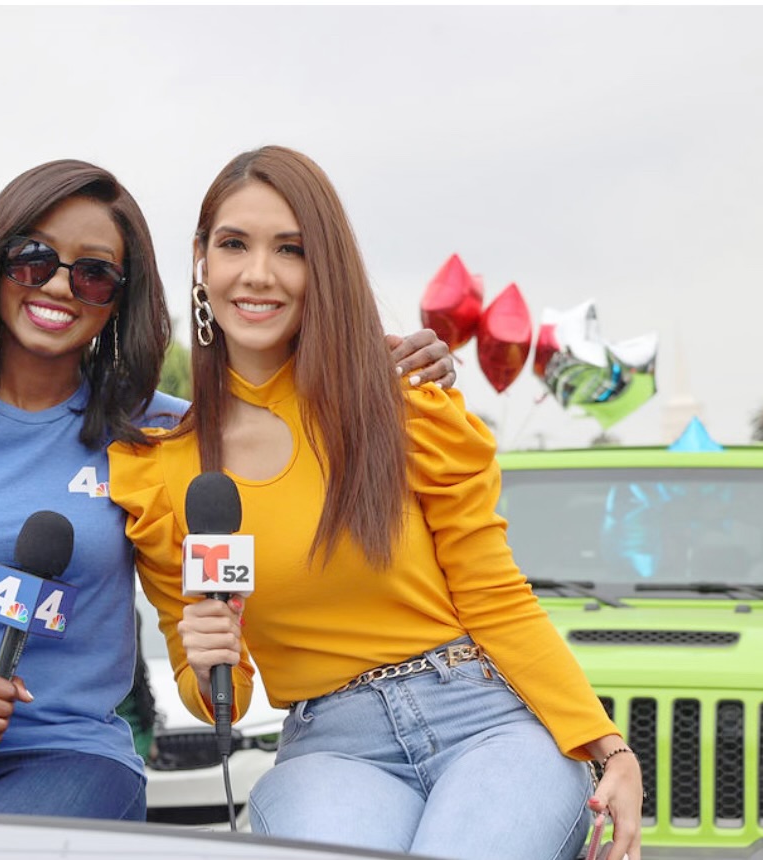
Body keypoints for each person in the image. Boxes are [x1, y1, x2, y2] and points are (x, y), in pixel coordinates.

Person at [0, 157, 456, 819]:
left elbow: (290, 427)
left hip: (72, 755)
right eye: (34, 259)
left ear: (120, 298)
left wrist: (399, 373)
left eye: (94, 273)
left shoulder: (162, 432)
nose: (59, 287)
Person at [109, 145, 644, 860]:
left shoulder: (405, 406)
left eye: (290, 249)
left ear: (321, 268)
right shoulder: (161, 469)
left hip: (484, 717)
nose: (259, 273)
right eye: (234, 244)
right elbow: (222, 700)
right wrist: (208, 656)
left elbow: (495, 595)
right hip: (331, 749)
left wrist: (609, 747)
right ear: (201, 259)